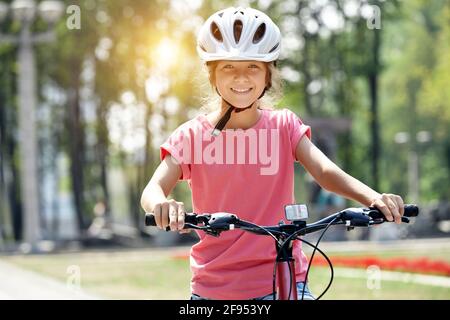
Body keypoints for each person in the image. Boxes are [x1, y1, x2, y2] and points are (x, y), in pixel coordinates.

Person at [140, 6, 405, 300]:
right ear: (212, 73)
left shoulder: (283, 126)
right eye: (229, 67)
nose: (241, 77)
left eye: (253, 66)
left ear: (268, 73)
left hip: (286, 279)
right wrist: (163, 205)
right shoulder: (191, 135)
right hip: (214, 288)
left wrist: (374, 198)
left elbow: (326, 173)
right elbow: (152, 190)